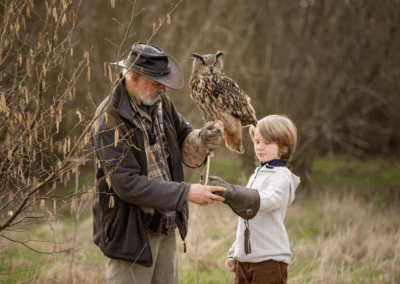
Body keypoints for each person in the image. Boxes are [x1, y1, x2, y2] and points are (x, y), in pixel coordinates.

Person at [91, 42, 227, 284]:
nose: (163, 90)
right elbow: (127, 185)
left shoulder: (161, 102)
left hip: (166, 226)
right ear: (133, 77)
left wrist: (204, 138)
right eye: (157, 84)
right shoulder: (107, 121)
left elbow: (185, 136)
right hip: (131, 235)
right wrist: (187, 192)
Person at [209, 115, 300, 284]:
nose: (260, 147)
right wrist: (235, 252)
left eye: (267, 143)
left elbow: (268, 201)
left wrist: (236, 194)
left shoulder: (282, 177)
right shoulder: (257, 174)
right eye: (257, 142)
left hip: (269, 259)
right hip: (246, 260)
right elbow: (247, 218)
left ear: (284, 146)